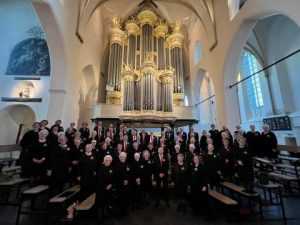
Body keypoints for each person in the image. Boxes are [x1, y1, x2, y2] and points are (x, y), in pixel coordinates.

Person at [95, 155, 115, 223]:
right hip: (101, 189)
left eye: (109, 160)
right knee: (100, 204)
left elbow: (113, 178)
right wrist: (105, 186)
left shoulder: (112, 168)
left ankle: (105, 214)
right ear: (104, 161)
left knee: (106, 202)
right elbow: (99, 179)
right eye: (106, 160)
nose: (108, 161)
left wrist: (111, 184)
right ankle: (100, 217)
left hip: (109, 188)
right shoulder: (100, 168)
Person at [115, 152, 131, 218]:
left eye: (124, 157)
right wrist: (123, 181)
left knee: (126, 199)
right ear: (119, 157)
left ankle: (125, 211)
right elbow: (116, 175)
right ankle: (118, 213)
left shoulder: (128, 164)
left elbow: (130, 174)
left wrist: (127, 180)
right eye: (121, 157)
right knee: (119, 200)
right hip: (120, 185)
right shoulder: (116, 165)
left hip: (127, 185)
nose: (122, 158)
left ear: (125, 157)